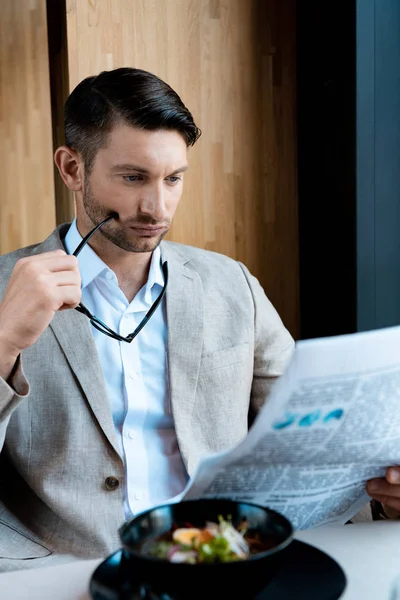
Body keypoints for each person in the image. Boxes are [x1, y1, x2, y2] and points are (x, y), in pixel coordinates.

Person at [0, 68, 396, 573]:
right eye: (132, 177)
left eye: (173, 179)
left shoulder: (233, 286)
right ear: (72, 169)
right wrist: (4, 341)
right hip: (56, 571)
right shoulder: (5, 291)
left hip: (218, 563)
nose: (156, 207)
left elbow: (316, 438)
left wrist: (382, 494)